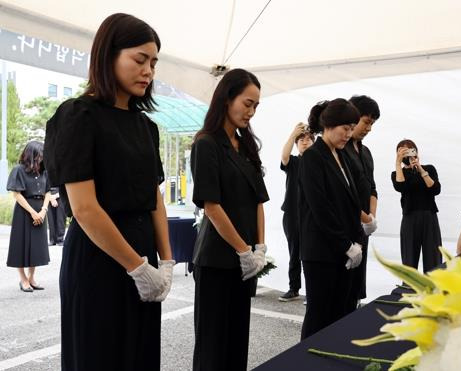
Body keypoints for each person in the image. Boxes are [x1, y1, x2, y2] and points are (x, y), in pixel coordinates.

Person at [44, 13, 174, 371]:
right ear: (108, 55)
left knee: (140, 353)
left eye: (154, 62)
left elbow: (155, 197)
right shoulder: (77, 115)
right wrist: (137, 267)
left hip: (143, 255)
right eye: (140, 59)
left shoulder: (145, 126)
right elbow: (84, 208)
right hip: (99, 257)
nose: (148, 70)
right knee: (99, 354)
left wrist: (165, 260)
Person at [190, 68, 269, 371]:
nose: (251, 112)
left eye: (256, 106)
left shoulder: (246, 145)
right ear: (227, 98)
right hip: (217, 261)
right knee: (213, 345)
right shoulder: (207, 143)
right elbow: (212, 206)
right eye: (247, 103)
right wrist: (243, 250)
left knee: (237, 342)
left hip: (244, 261)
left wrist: (259, 247)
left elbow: (258, 201)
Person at [299, 99, 364, 340]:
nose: (349, 133)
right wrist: (346, 245)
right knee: (319, 316)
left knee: (342, 314)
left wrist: (356, 241)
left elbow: (352, 202)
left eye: (351, 128)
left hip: (344, 249)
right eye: (345, 128)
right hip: (321, 252)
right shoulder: (312, 157)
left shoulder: (342, 156)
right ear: (328, 124)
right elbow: (321, 208)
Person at [342, 95, 380, 310]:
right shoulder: (340, 150)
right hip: (345, 227)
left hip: (362, 228)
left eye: (372, 124)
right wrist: (364, 218)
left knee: (356, 287)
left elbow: (372, 188)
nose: (368, 128)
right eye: (366, 122)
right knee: (342, 289)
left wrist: (371, 217)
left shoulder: (366, 152)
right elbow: (342, 194)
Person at [391, 139, 442, 272]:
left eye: (409, 150)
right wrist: (397, 163)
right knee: (409, 257)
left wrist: (420, 168)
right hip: (410, 217)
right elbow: (400, 186)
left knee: (433, 256)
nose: (406, 154)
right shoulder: (397, 174)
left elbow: (435, 189)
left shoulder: (429, 169)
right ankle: (408, 288)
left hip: (429, 215)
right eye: (402, 151)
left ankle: (433, 287)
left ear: (416, 151)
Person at [6, 141, 50, 292]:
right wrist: (32, 212)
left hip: (41, 210)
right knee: (21, 245)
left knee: (36, 247)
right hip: (24, 211)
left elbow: (48, 191)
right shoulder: (18, 170)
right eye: (39, 155)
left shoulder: (44, 171)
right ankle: (23, 279)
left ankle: (31, 278)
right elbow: (16, 194)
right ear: (31, 155)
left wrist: (43, 210)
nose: (41, 158)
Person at [279, 123, 314, 302]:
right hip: (292, 214)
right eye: (301, 140)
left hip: (312, 215)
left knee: (311, 253)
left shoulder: (318, 164)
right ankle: (294, 288)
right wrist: (293, 133)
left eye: (309, 139)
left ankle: (313, 291)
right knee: (294, 251)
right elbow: (284, 156)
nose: (305, 142)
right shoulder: (293, 162)